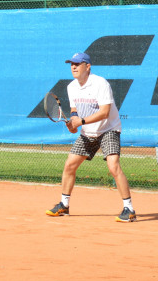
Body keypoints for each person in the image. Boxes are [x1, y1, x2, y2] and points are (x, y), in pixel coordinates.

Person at [45, 52, 137, 222]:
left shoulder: (100, 84)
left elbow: (105, 112)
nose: (73, 67)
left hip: (108, 129)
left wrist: (82, 121)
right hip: (88, 132)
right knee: (70, 165)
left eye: (77, 64)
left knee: (113, 166)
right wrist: (73, 125)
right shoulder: (71, 87)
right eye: (71, 64)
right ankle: (64, 205)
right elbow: (75, 115)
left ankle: (129, 208)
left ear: (87, 67)